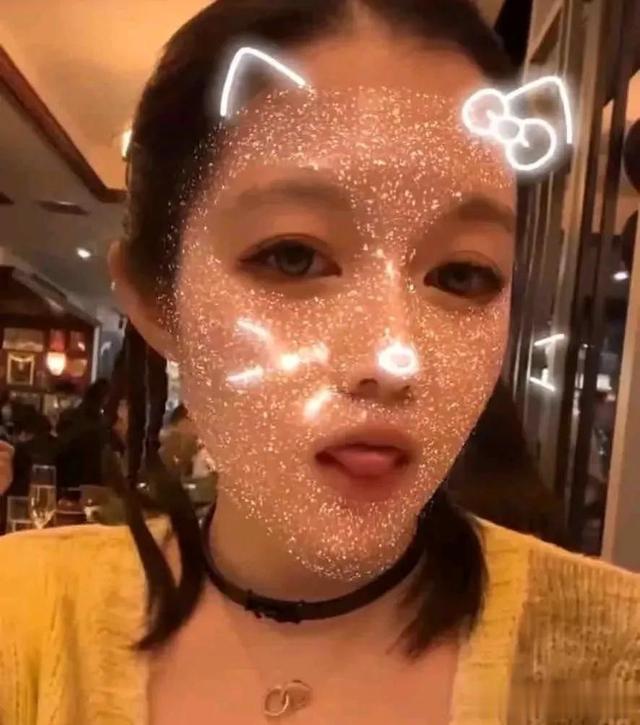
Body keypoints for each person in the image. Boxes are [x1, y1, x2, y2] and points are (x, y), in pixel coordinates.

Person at [1, 2, 639, 723]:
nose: (392, 359)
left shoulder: (618, 659)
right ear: (155, 299)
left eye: (461, 275)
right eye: (294, 257)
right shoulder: (20, 620)